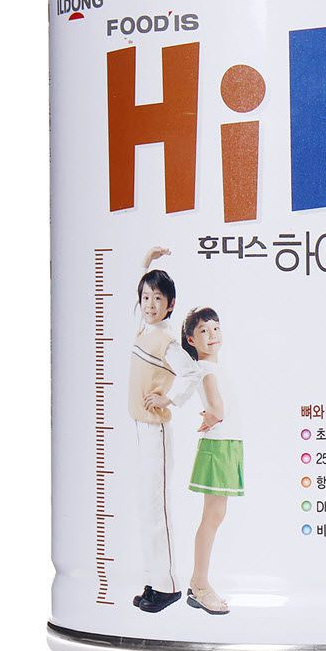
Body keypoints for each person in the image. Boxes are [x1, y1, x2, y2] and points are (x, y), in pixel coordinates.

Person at [128, 246, 200, 613]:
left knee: (157, 508)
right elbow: (135, 291)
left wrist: (168, 399)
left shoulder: (166, 341)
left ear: (170, 305)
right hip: (140, 429)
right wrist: (146, 262)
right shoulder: (144, 329)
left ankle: (167, 586)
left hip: (155, 432)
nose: (150, 304)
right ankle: (154, 579)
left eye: (158, 298)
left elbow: (191, 373)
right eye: (145, 297)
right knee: (145, 506)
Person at [181, 306, 244, 615]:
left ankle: (199, 583)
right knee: (213, 516)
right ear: (191, 340)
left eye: (215, 328)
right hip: (219, 447)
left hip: (225, 445)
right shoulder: (206, 370)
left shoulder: (212, 368)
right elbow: (218, 410)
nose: (212, 334)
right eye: (203, 330)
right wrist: (210, 416)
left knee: (215, 516)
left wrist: (211, 415)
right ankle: (200, 585)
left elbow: (217, 410)